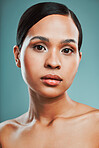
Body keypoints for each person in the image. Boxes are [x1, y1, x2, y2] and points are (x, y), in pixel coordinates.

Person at [0, 2, 99, 148]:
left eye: (66, 50)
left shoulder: (96, 126)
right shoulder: (4, 135)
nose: (53, 62)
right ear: (17, 56)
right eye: (39, 47)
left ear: (78, 59)